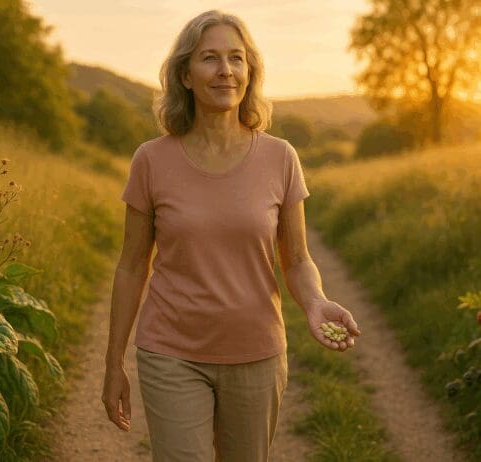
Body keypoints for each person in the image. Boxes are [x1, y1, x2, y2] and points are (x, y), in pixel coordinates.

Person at [102, 9, 362, 462]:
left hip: (256, 354)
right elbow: (130, 265)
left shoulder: (280, 158)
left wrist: (316, 302)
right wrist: (112, 364)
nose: (225, 70)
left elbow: (297, 260)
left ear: (250, 72)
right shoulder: (151, 160)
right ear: (185, 74)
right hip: (171, 352)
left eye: (236, 59)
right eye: (210, 58)